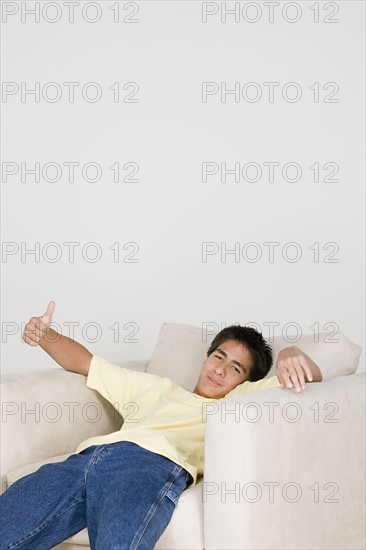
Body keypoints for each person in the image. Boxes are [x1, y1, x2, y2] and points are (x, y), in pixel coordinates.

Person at [0, 301, 322, 550]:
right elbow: (86, 363)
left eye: (235, 368)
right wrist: (45, 336)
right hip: (85, 460)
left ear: (244, 383)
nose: (220, 370)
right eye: (218, 356)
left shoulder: (231, 408)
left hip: (148, 467)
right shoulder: (156, 388)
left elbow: (308, 375)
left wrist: (291, 354)